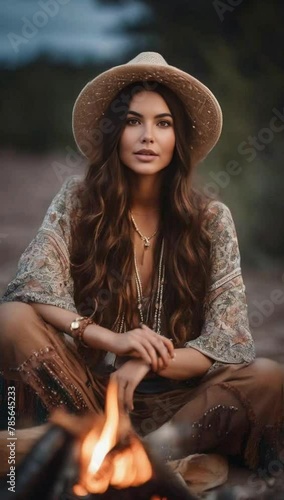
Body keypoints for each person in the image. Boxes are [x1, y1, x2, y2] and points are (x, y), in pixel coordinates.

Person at [0, 52, 283, 471]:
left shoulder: (210, 220)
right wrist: (111, 340)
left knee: (268, 377)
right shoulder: (79, 202)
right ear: (114, 133)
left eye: (163, 123)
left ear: (178, 138)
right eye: (133, 121)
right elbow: (34, 285)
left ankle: (85, 451)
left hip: (180, 405)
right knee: (11, 318)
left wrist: (145, 359)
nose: (147, 135)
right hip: (88, 392)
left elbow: (225, 343)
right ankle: (134, 458)